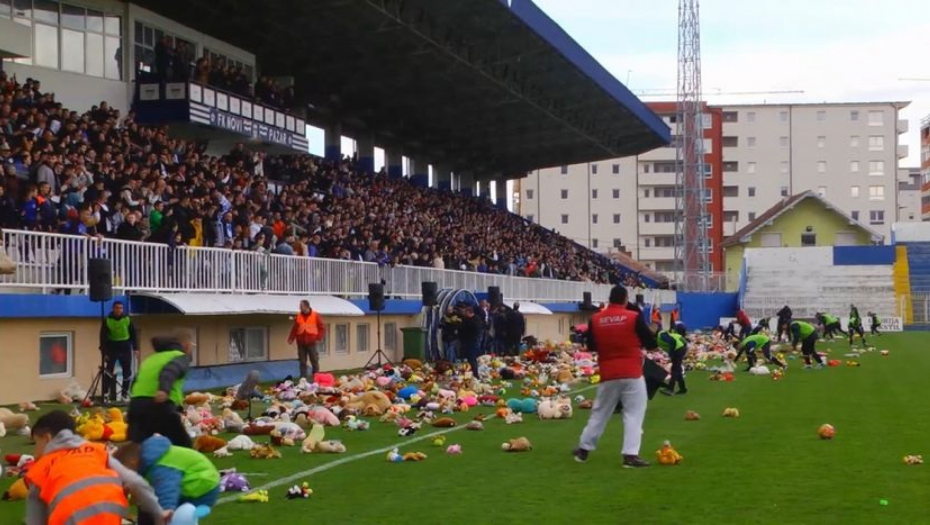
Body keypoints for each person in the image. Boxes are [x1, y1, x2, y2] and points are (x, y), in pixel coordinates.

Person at [24, 410, 167, 525]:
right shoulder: (96, 450)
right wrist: (159, 514)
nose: (35, 453)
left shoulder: (40, 469)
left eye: (37, 443)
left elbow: (35, 519)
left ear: (48, 438)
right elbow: (136, 482)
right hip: (111, 516)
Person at [574, 285, 659, 468]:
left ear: (609, 299)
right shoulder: (633, 317)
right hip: (632, 372)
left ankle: (583, 449)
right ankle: (630, 456)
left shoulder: (596, 319)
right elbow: (651, 343)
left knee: (600, 413)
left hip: (608, 372)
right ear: (625, 299)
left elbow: (592, 346)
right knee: (633, 414)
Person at [113, 436, 220, 519]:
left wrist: (167, 508)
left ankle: (200, 510)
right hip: (201, 480)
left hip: (203, 486)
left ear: (133, 463)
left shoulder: (161, 466)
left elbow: (168, 488)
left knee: (182, 517)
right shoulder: (150, 460)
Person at [128, 329, 194, 448]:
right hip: (160, 405)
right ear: (187, 346)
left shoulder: (150, 359)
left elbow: (136, 380)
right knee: (182, 444)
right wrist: (164, 389)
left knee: (137, 448)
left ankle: (128, 465)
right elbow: (170, 371)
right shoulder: (180, 357)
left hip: (136, 405)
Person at [99, 301, 139, 403]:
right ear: (113, 308)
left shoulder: (127, 319)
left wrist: (135, 348)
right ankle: (106, 395)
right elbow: (103, 337)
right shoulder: (107, 320)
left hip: (125, 346)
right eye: (117, 308)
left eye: (121, 308)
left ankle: (124, 395)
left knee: (127, 372)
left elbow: (133, 334)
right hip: (112, 346)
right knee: (108, 371)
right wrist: (104, 352)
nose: (119, 310)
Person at [287, 299, 326, 379]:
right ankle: (303, 379)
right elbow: (295, 328)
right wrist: (291, 338)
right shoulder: (298, 316)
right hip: (301, 342)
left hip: (311, 342)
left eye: (301, 306)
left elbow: (321, 327)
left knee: (314, 360)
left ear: (306, 306)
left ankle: (316, 378)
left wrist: (319, 337)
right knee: (302, 362)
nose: (300, 307)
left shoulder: (315, 315)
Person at [657, 326, 688, 396]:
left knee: (674, 369)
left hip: (678, 348)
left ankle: (670, 389)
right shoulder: (663, 334)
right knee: (677, 369)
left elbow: (672, 342)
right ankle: (682, 388)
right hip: (680, 347)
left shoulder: (661, 334)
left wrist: (671, 354)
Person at [457, 306, 482, 376]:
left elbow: (473, 329)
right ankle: (472, 373)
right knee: (468, 358)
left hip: (472, 341)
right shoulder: (467, 320)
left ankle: (476, 374)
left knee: (472, 358)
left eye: (465, 312)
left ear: (469, 312)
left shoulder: (475, 320)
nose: (464, 313)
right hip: (467, 341)